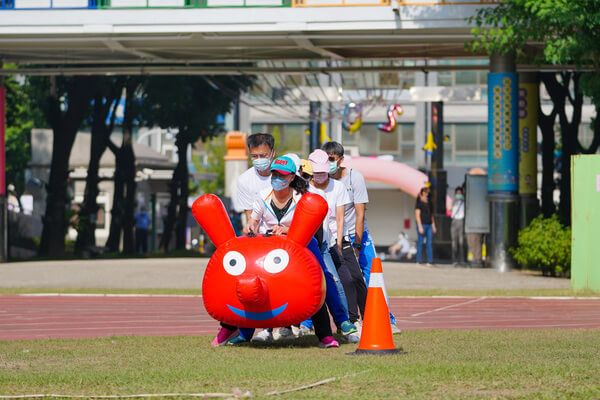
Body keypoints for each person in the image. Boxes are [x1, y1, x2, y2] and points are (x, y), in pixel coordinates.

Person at [235, 156, 340, 348]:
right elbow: (254, 220)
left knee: (314, 285)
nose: (277, 178)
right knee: (255, 284)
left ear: (291, 177)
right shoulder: (263, 194)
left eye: (282, 175)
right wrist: (250, 225)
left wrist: (288, 231)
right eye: (274, 174)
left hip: (300, 248)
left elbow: (309, 225)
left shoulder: (302, 198)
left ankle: (327, 334)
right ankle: (245, 332)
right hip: (269, 249)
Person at [322, 141, 401, 335]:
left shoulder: (354, 178)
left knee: (371, 275)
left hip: (357, 235)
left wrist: (357, 244)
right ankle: (316, 324)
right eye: (325, 159)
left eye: (331, 159)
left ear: (340, 160)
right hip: (332, 236)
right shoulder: (320, 179)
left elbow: (360, 213)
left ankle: (387, 319)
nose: (328, 163)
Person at [308, 149, 366, 333]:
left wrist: (339, 244)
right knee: (319, 283)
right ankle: (303, 324)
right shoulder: (304, 188)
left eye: (323, 172)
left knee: (347, 280)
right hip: (312, 242)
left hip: (334, 240)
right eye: (316, 173)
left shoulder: (338, 187)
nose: (319, 176)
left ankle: (351, 320)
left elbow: (340, 218)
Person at [236, 133, 275, 221]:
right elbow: (249, 215)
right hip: (260, 232)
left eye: (263, 155)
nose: (259, 159)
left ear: (273, 153)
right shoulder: (244, 180)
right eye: (254, 156)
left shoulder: (284, 175)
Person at [415, 186, 436, 265]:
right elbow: (417, 215)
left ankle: (430, 260)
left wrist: (433, 225)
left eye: (428, 192)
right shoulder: (419, 202)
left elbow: (431, 215)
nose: (427, 194)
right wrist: (420, 226)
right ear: (422, 193)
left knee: (429, 243)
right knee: (420, 242)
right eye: (425, 192)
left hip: (429, 224)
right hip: (422, 224)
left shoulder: (430, 202)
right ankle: (419, 260)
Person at [450, 187, 465, 266]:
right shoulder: (453, 201)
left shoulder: (464, 202)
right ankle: (454, 260)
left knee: (461, 242)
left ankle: (462, 259)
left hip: (461, 221)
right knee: (454, 242)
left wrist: (463, 199)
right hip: (454, 221)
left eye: (460, 193)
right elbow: (449, 209)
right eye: (457, 193)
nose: (459, 195)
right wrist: (453, 200)